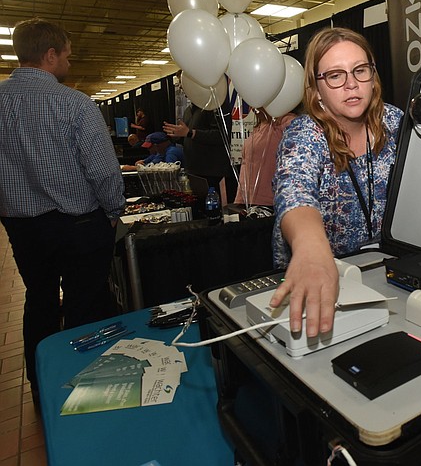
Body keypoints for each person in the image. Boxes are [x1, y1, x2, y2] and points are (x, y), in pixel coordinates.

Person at [0, 18, 125, 399]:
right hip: (79, 225)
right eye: (67, 56)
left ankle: (42, 388)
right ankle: (87, 388)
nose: (69, 64)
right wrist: (114, 211)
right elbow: (103, 172)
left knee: (38, 301)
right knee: (84, 304)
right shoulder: (74, 104)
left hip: (22, 228)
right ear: (50, 55)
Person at [269, 27, 403, 338]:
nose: (352, 84)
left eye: (360, 70)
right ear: (316, 89)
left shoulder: (394, 122)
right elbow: (294, 191)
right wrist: (311, 249)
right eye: (335, 76)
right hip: (319, 280)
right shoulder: (304, 134)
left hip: (384, 275)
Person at [163, 72, 237, 203]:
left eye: (183, 84)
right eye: (180, 84)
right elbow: (190, 136)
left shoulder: (214, 105)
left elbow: (221, 136)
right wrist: (179, 136)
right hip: (194, 173)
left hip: (214, 174)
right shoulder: (189, 110)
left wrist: (190, 133)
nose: (181, 87)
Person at [234, 108, 296, 209]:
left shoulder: (286, 121)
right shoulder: (258, 127)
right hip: (246, 201)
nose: (254, 108)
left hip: (270, 203)